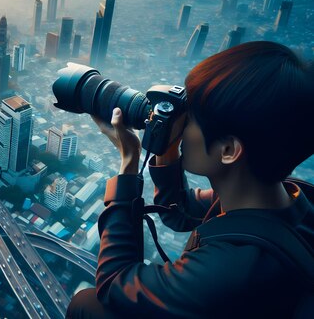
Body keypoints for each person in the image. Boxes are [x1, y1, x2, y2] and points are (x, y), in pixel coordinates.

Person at [65, 41, 314, 318]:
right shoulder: (282, 197)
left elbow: (114, 286)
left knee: (86, 305)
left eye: (192, 116)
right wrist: (167, 149)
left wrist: (128, 163)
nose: (180, 123)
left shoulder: (231, 269)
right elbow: (179, 212)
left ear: (229, 150)